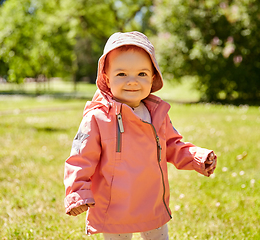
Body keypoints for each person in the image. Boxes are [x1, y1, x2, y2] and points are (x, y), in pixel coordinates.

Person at [64, 31, 217, 240]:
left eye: (142, 74)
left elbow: (172, 144)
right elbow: (81, 157)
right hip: (115, 205)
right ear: (107, 79)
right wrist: (78, 192)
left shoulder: (157, 113)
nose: (132, 81)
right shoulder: (98, 118)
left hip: (151, 201)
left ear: (153, 77)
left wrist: (197, 157)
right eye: (122, 74)